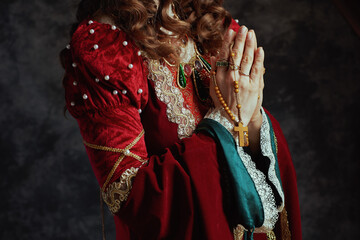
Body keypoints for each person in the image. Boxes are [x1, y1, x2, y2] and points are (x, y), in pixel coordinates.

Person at [60, 0, 302, 239]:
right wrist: (224, 122)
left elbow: (247, 123)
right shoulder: (106, 48)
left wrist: (252, 118)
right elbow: (129, 195)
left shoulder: (208, 19)